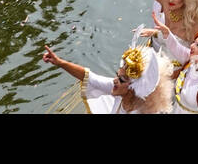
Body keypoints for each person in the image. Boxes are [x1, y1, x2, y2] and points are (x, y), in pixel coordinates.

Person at [42, 40, 171, 114]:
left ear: (133, 88)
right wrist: (60, 62)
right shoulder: (120, 91)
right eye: (117, 76)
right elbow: (89, 77)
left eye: (121, 80)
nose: (115, 81)